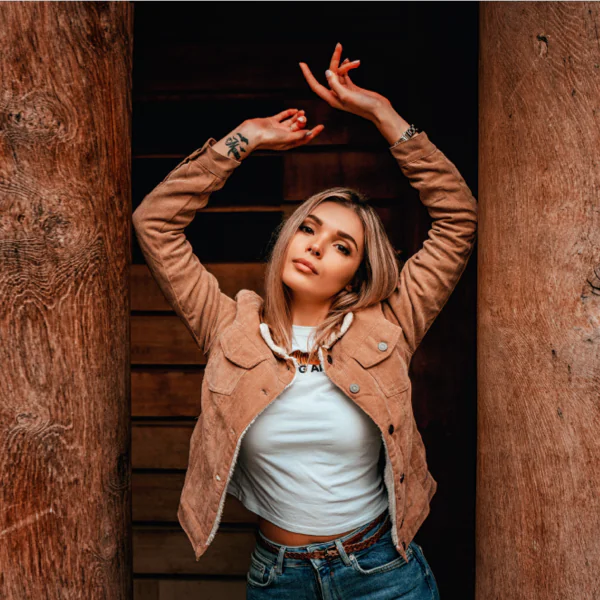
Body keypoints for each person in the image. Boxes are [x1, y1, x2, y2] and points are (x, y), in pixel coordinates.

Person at [133, 42, 477, 599]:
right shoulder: (230, 328)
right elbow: (155, 223)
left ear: (357, 275)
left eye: (341, 245)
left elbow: (457, 219)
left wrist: (381, 115)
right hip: (279, 578)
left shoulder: (389, 327)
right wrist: (243, 139)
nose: (315, 247)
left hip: (383, 574)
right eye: (309, 228)